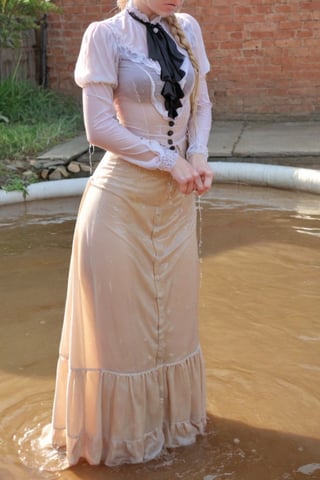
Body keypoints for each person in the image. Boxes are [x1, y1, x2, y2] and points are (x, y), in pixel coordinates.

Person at [50, 0, 213, 467]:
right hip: (119, 206)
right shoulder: (105, 35)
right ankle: (119, 444)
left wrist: (197, 155)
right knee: (121, 336)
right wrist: (170, 161)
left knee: (175, 329)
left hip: (177, 205)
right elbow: (98, 127)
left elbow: (202, 104)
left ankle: (168, 433)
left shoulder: (189, 28)